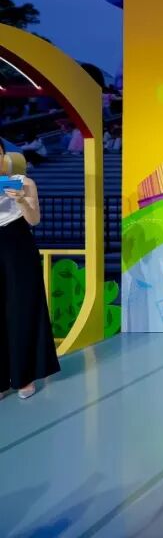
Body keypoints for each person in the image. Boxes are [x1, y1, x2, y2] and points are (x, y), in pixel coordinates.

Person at [0, 146, 60, 400]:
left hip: (18, 247)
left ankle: (24, 376)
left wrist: (20, 200)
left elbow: (34, 220)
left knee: (22, 309)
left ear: (4, 156)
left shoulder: (24, 182)